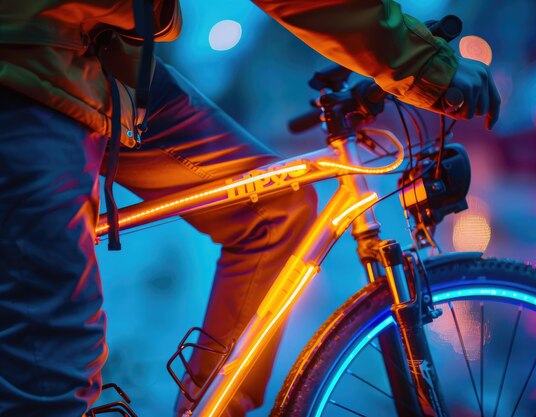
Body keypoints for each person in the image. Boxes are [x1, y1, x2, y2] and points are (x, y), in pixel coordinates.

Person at [0, 0, 500, 416]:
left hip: (97, 56)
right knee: (52, 378)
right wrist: (419, 63)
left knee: (274, 203)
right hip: (24, 64)